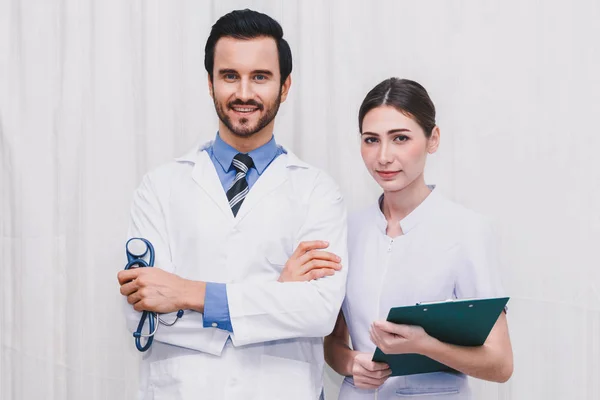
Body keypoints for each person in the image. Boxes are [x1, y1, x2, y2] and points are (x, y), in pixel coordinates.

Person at [117, 9, 347, 400]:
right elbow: (142, 314)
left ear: (285, 85)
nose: (243, 93)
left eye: (260, 76)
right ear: (210, 83)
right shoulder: (159, 186)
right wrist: (276, 296)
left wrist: (187, 293)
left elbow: (318, 312)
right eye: (229, 76)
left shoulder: (318, 192)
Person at [324, 78, 513, 399]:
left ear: (433, 138)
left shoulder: (466, 231)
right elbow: (334, 342)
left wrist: (426, 346)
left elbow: (500, 364)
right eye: (371, 140)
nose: (383, 156)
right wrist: (353, 362)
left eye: (400, 138)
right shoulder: (346, 230)